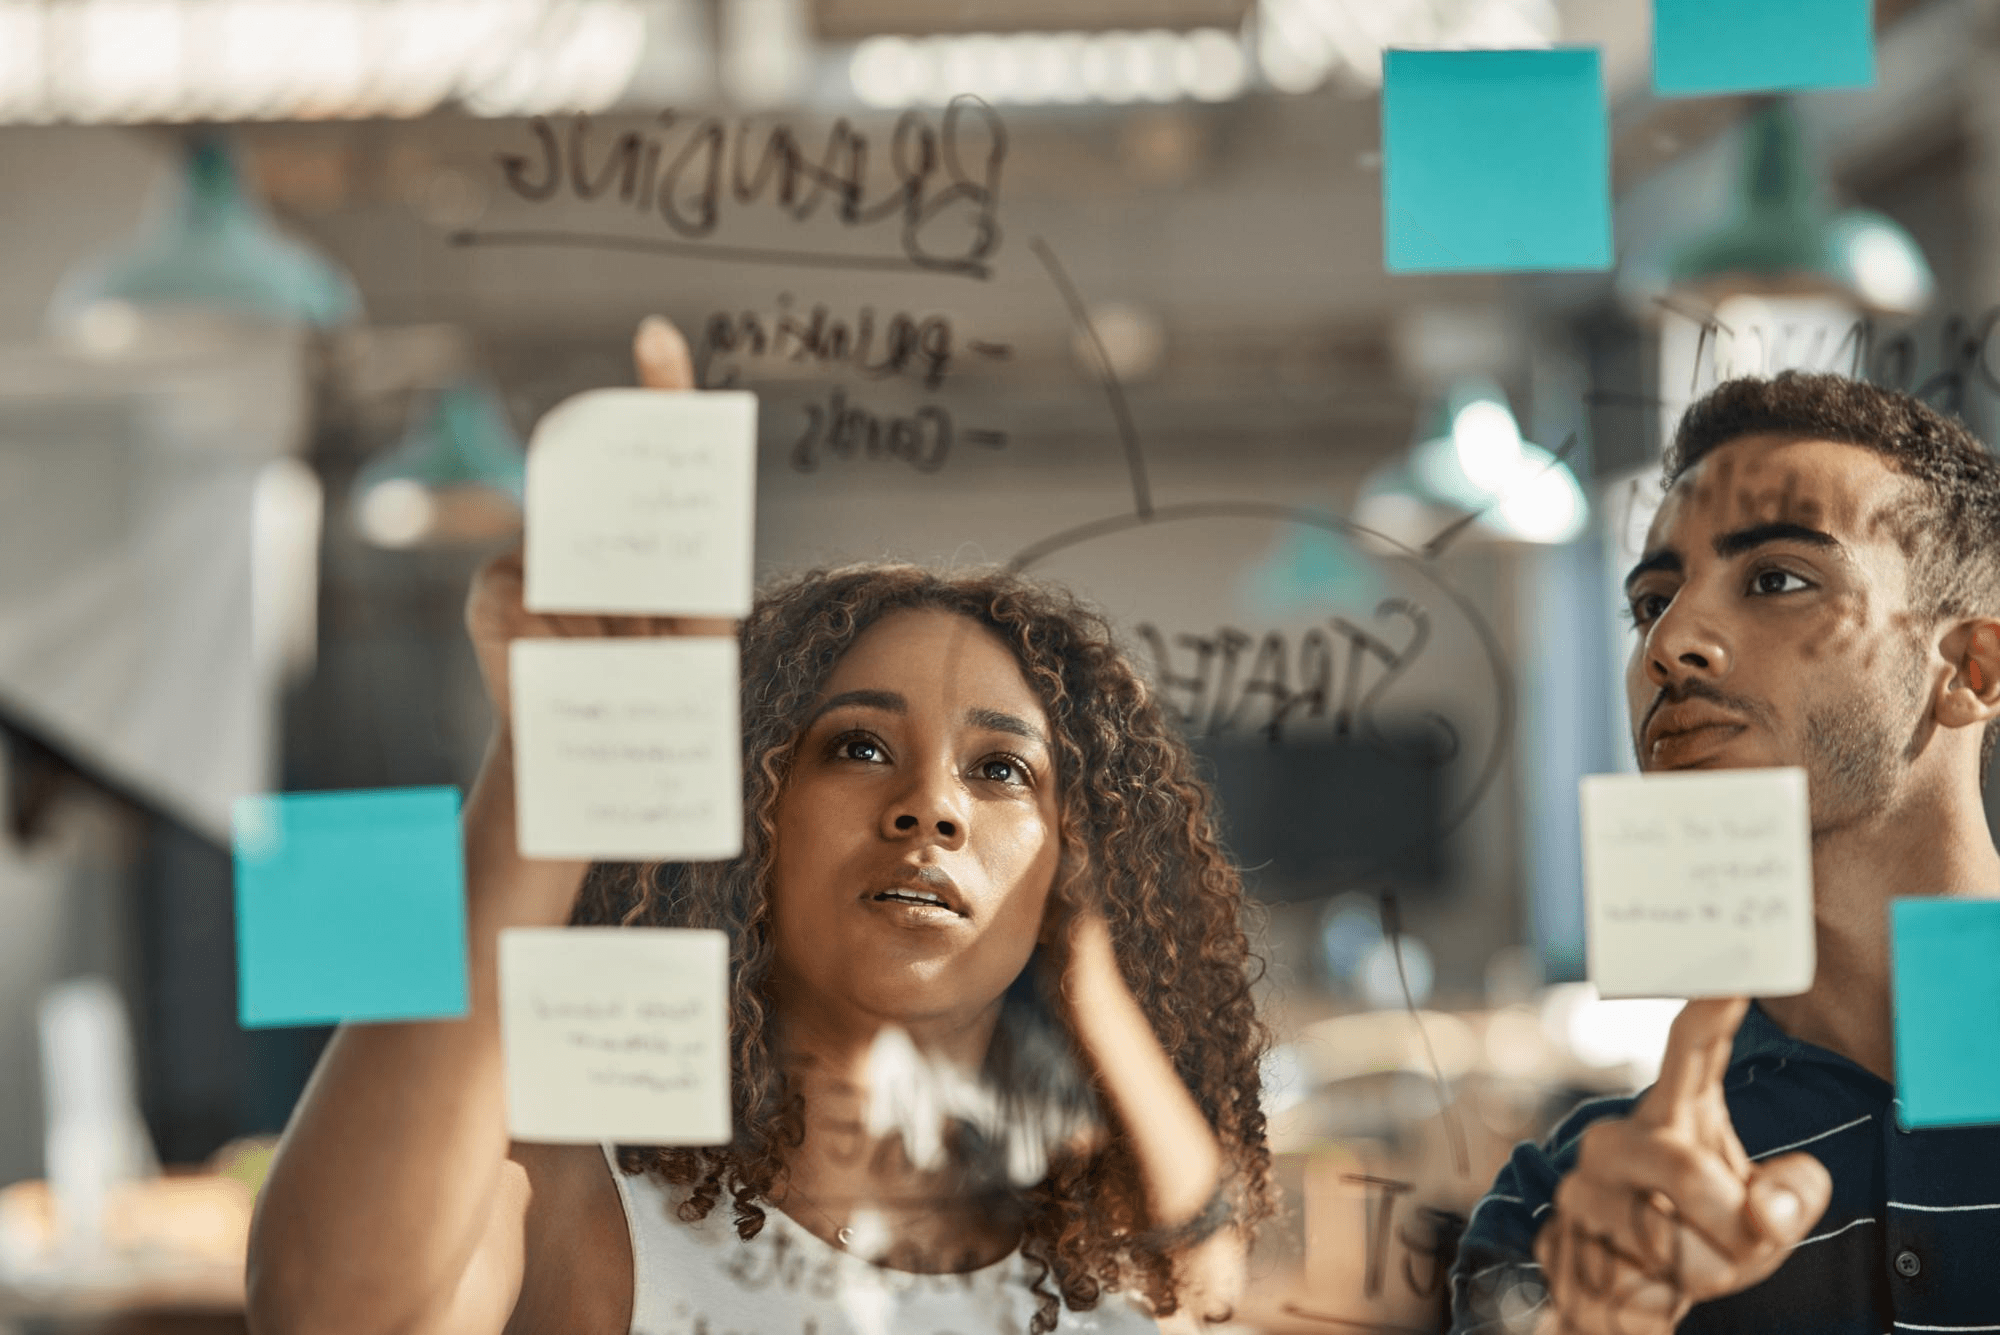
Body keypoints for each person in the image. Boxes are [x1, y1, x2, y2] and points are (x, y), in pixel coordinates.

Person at [245, 317, 1273, 1335]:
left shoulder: (1087, 1254)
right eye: (859, 747)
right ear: (749, 815)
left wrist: (1085, 959)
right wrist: (555, 762)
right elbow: (330, 1311)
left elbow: (1210, 1276)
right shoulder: (586, 1193)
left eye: (1000, 770)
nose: (932, 806)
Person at [1449, 371, 2000, 1334]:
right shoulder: (1572, 1207)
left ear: (1971, 671)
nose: (1672, 640)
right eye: (1651, 599)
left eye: (1778, 578)